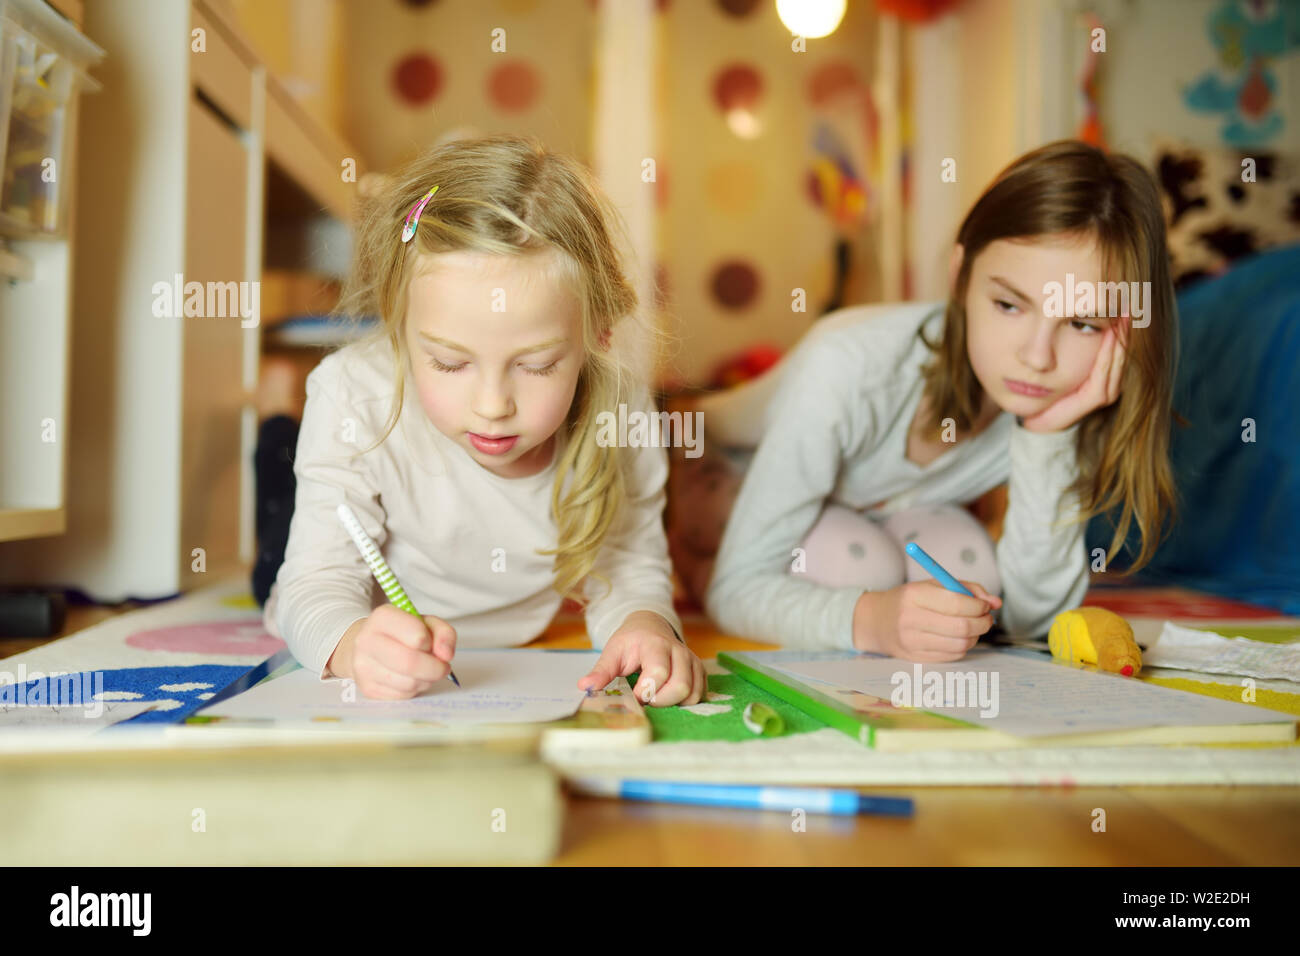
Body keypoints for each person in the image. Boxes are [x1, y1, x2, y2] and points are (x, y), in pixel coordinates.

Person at [680, 140, 1178, 662]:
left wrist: (1048, 437)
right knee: (861, 571)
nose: (1037, 357)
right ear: (960, 277)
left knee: (968, 580)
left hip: (871, 511)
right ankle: (691, 562)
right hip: (717, 465)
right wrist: (871, 621)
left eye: (1081, 323)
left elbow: (1031, 621)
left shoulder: (1068, 400)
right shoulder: (849, 364)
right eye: (1009, 305)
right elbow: (739, 587)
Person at [258, 135, 703, 705]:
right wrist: (352, 645)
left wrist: (646, 625)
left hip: (511, 629)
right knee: (276, 519)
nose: (493, 406)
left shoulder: (619, 410)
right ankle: (276, 422)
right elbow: (315, 583)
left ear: (598, 335)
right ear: (398, 327)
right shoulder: (351, 394)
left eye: (537, 365)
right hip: (350, 566)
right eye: (450, 362)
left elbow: (631, 568)